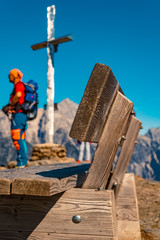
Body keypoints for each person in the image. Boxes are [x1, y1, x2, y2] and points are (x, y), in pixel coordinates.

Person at [3, 69, 28, 168]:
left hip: (18, 115)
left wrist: (10, 105)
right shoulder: (20, 85)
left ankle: (21, 162)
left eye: (10, 75)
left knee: (17, 138)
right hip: (22, 115)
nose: (9, 77)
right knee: (21, 138)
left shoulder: (19, 85)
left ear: (14, 76)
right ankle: (23, 161)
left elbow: (18, 95)